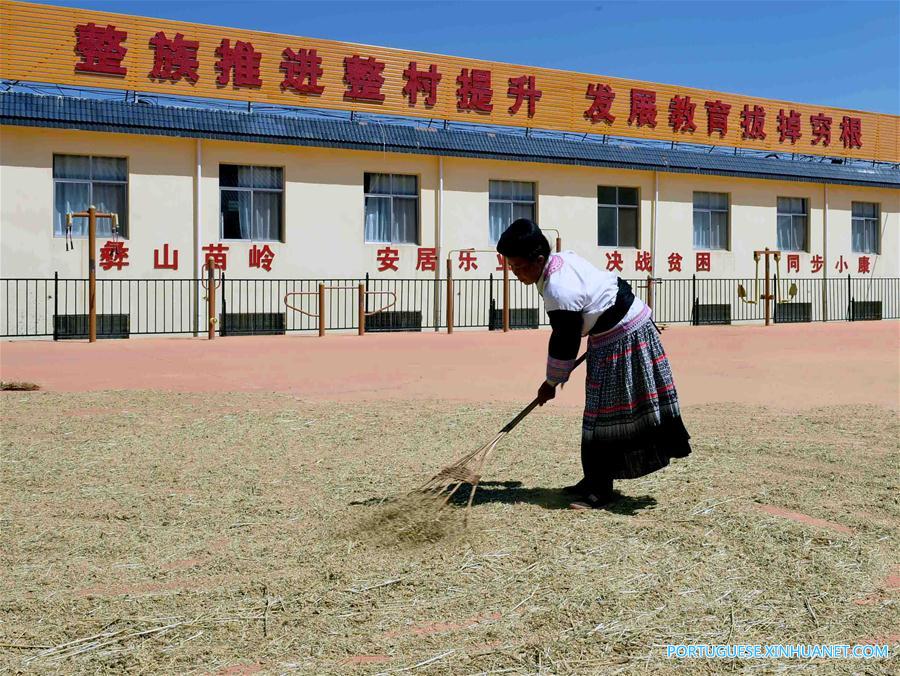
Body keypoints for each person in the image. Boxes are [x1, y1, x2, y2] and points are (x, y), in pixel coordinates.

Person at [497, 218, 691, 509]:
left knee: (605, 416)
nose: (515, 273)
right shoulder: (558, 262)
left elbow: (565, 340)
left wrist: (551, 383)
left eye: (519, 266)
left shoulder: (558, 290)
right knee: (597, 414)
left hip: (624, 336)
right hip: (612, 332)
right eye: (510, 266)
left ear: (538, 259)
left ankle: (600, 490)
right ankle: (594, 478)